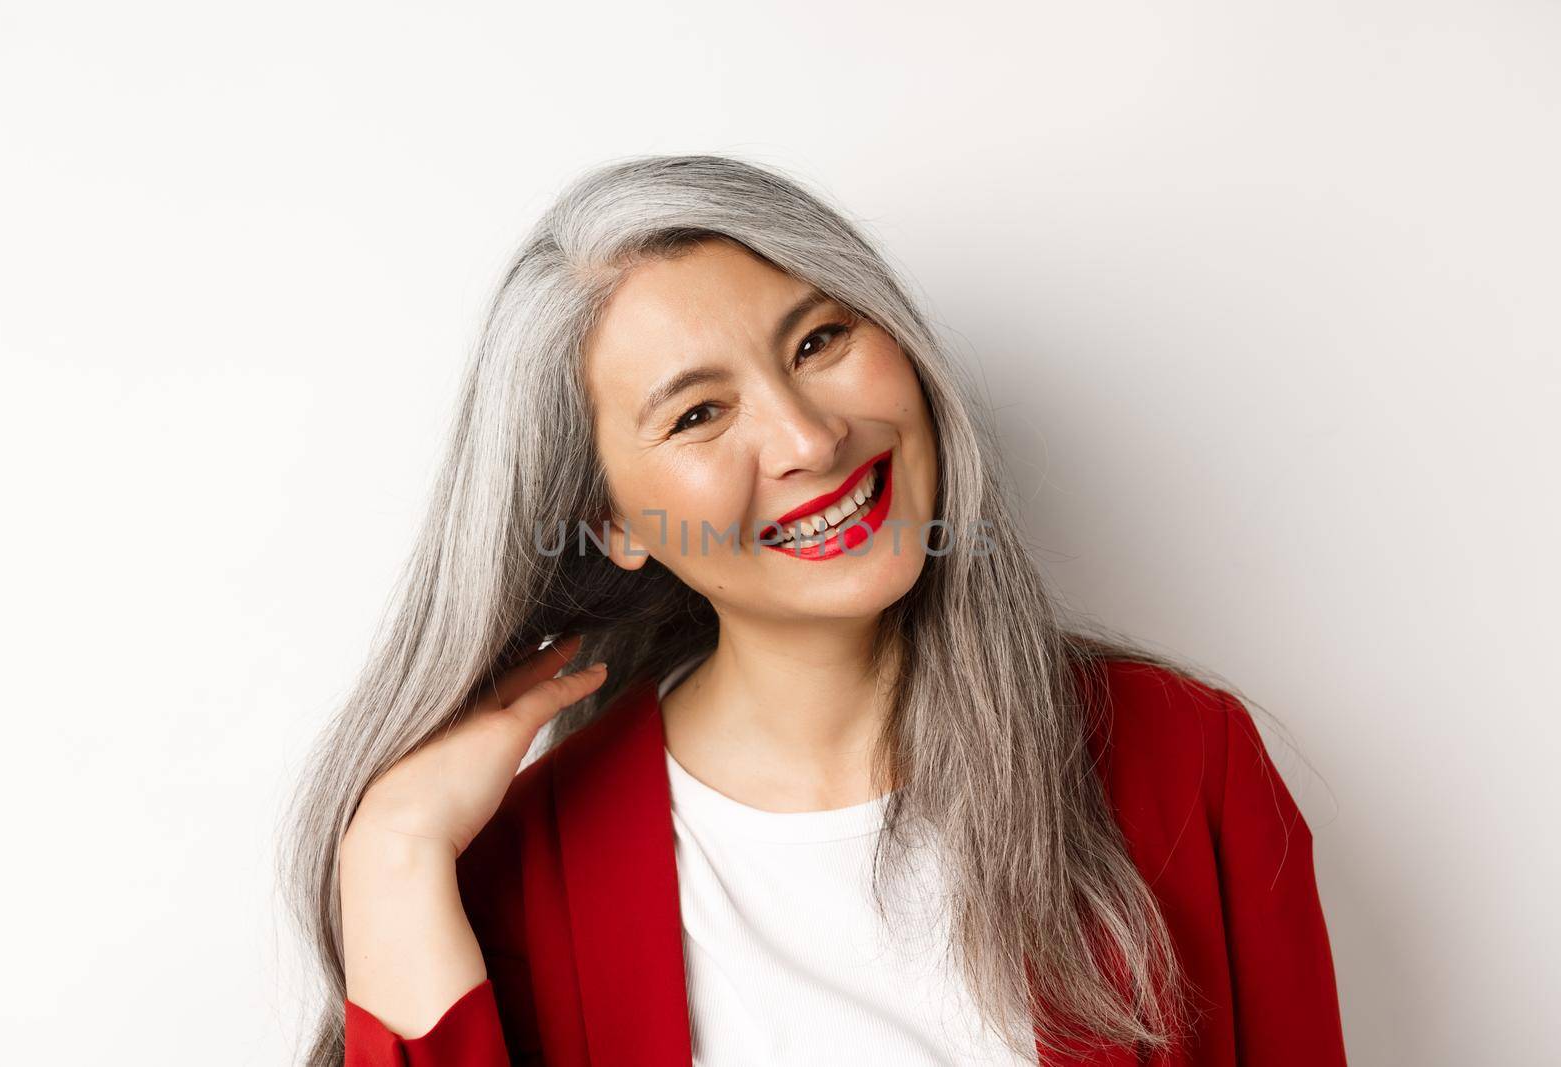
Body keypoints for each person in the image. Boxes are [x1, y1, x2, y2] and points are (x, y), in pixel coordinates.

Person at [280, 154, 1348, 1066]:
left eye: (817, 342)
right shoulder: (524, 870)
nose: (806, 437)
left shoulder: (1180, 755)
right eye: (700, 412)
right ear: (613, 521)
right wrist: (392, 851)